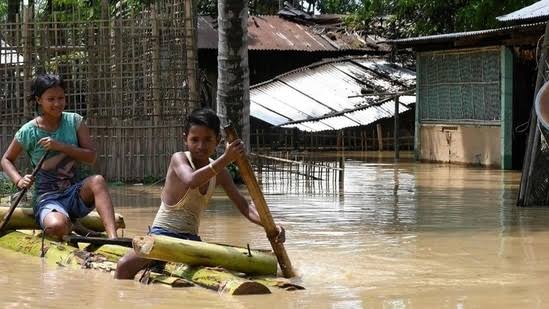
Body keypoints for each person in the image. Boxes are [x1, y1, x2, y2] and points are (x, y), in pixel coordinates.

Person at [114, 108, 285, 279]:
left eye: (207, 140)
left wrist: (271, 226)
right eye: (194, 140)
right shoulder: (179, 159)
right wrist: (226, 158)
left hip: (192, 241)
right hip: (162, 236)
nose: (201, 146)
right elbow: (191, 180)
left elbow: (245, 206)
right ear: (185, 139)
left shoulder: (221, 174)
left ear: (217, 140)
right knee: (123, 266)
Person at [0, 74, 118, 240]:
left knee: (97, 180)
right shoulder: (29, 131)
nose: (57, 103)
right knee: (56, 227)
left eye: (61, 98)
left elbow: (90, 157)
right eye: (51, 99)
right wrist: (19, 180)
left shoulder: (74, 121)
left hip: (74, 193)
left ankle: (113, 238)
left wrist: (60, 146)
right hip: (47, 198)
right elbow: (6, 159)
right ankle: (71, 224)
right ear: (39, 100)